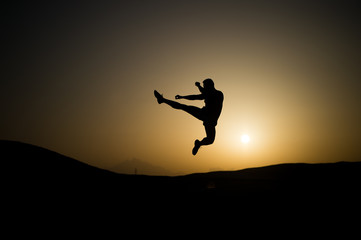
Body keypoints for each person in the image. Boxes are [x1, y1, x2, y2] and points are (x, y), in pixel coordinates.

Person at [154, 78, 224, 155]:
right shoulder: (212, 93)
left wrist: (182, 96)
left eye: (205, 86)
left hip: (209, 120)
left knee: (210, 140)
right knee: (183, 107)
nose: (204, 88)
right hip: (205, 115)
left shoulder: (217, 94)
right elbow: (203, 93)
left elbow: (197, 96)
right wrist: (198, 87)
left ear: (210, 86)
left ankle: (198, 144)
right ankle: (162, 100)